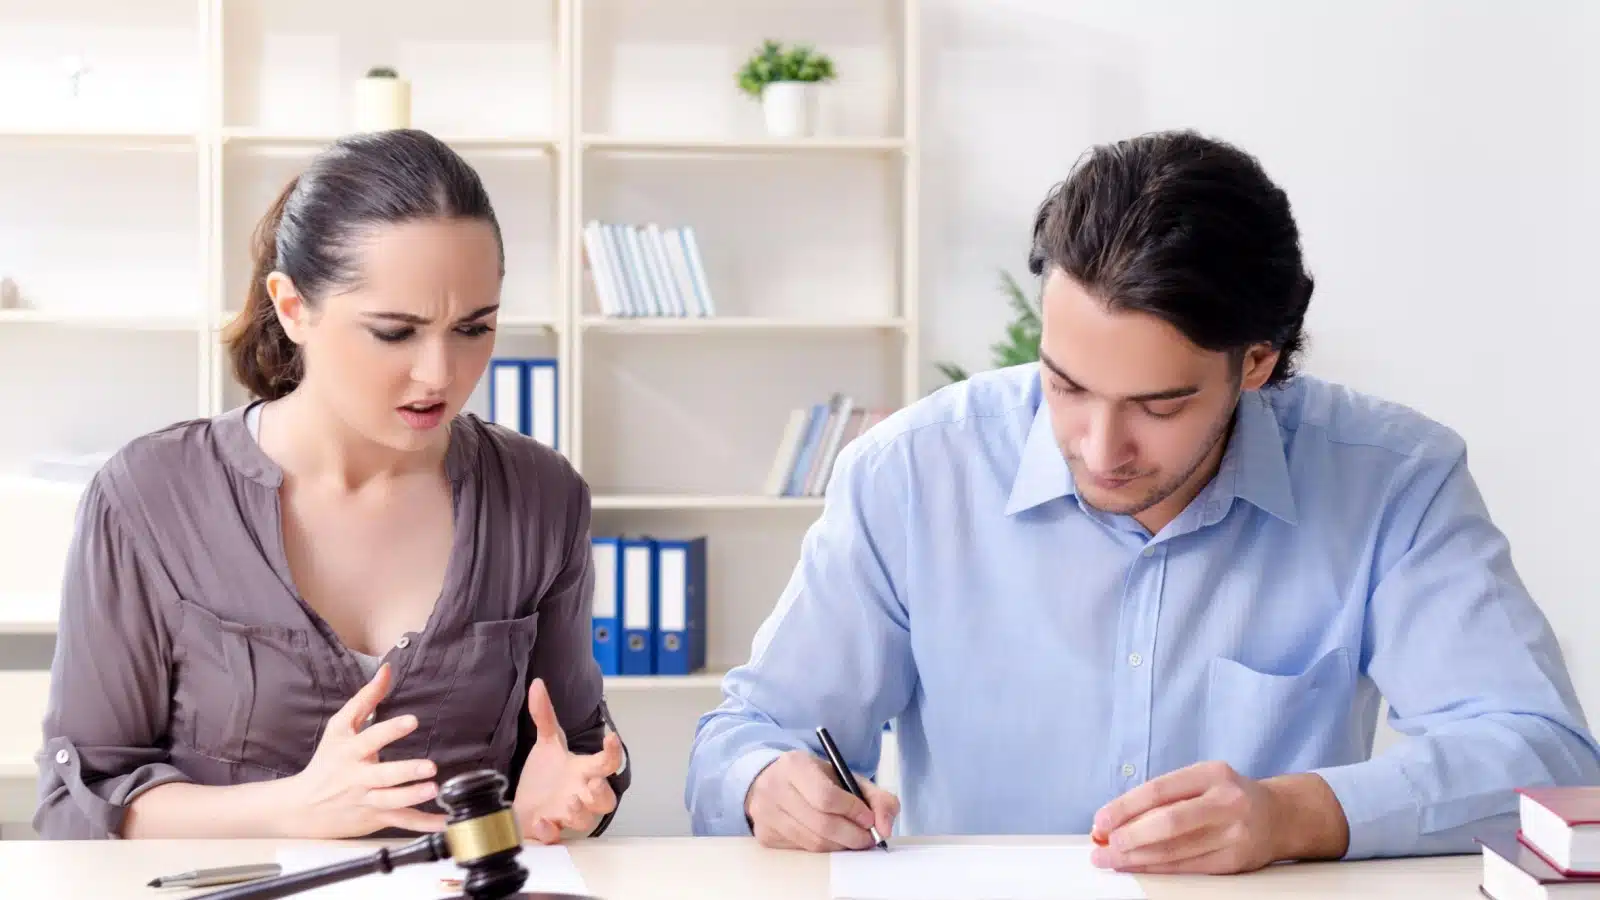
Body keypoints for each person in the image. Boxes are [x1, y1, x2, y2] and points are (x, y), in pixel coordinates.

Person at [685, 129, 1600, 872]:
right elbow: (745, 737)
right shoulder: (912, 472)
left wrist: (1293, 815)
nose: (1096, 446)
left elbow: (1545, 758)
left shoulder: (1392, 480)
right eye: (1065, 385)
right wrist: (770, 783)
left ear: (1257, 363)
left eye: (1158, 406)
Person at [34, 129, 629, 841]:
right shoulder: (149, 497)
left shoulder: (540, 497)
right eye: (393, 332)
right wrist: (290, 810)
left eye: (474, 328)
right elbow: (79, 803)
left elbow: (579, 753)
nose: (439, 373)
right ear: (292, 307)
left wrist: (569, 801)